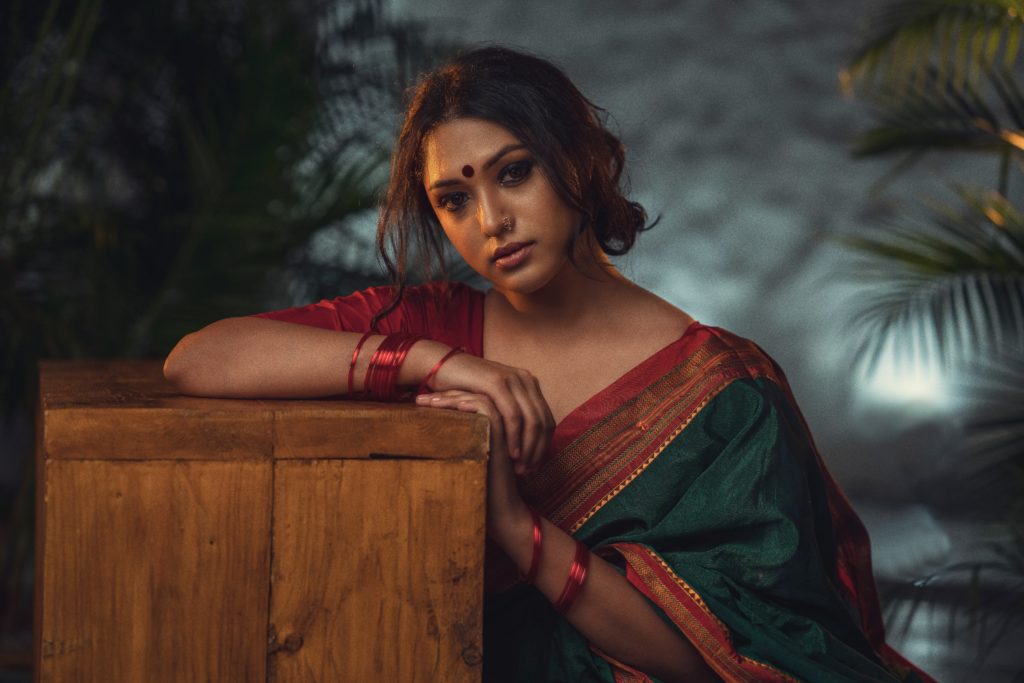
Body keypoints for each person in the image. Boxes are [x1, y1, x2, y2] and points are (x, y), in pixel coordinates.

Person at [164, 46, 935, 683]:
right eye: (452, 200)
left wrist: (513, 524)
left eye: (513, 172)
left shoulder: (727, 395)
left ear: (582, 160)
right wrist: (433, 362)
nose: (491, 220)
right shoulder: (433, 325)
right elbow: (199, 359)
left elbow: (714, 660)